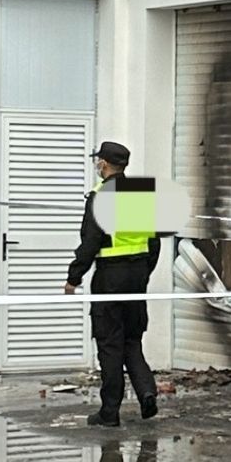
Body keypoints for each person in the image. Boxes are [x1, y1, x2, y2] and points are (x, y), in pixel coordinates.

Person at [65, 141, 161, 427]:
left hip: (109, 277)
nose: (97, 165)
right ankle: (147, 392)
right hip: (137, 276)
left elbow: (90, 241)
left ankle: (109, 412)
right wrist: (144, 273)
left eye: (98, 162)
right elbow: (154, 242)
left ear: (104, 164)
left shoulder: (99, 196)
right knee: (132, 340)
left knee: (109, 344)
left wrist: (73, 277)